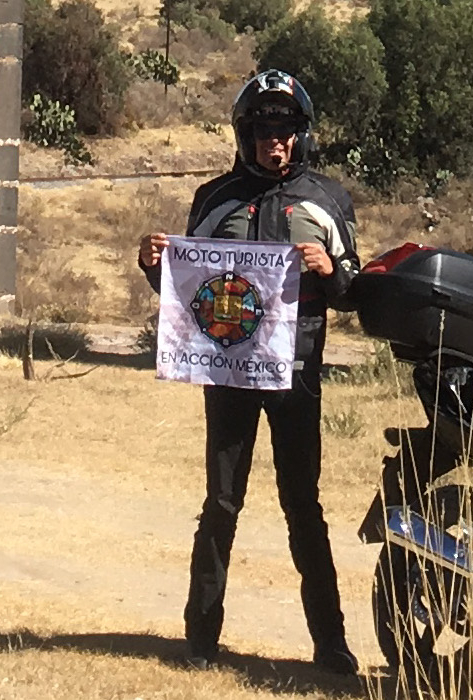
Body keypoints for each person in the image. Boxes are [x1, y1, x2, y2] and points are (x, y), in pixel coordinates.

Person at [139, 69, 361, 675]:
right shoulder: (214, 198)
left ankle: (331, 644)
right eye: (264, 130)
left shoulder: (329, 200)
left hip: (298, 373)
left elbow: (352, 291)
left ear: (302, 135)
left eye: (286, 130)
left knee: (303, 505)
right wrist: (154, 265)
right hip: (229, 374)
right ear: (244, 134)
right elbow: (187, 291)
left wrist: (330, 270)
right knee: (220, 502)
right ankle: (200, 640)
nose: (275, 142)